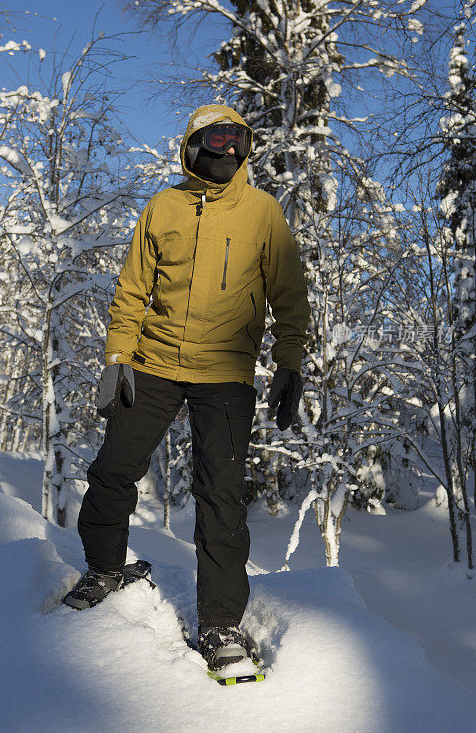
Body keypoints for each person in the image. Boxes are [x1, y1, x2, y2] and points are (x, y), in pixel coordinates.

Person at [63, 104, 311, 672]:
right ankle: (105, 567)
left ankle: (221, 623)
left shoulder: (262, 212)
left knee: (220, 496)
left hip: (225, 375)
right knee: (112, 470)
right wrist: (117, 358)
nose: (228, 151)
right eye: (216, 140)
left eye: (237, 141)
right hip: (154, 364)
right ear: (192, 147)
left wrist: (289, 361)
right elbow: (131, 291)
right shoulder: (164, 207)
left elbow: (290, 294)